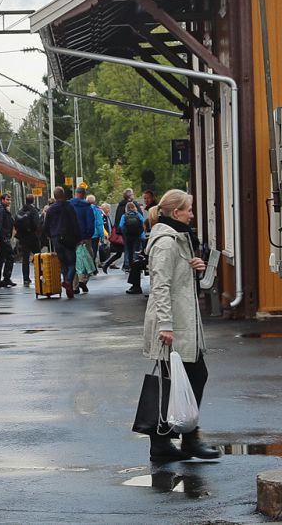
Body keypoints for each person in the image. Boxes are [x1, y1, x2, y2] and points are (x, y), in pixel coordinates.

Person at [141, 189, 220, 462]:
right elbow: (160, 285)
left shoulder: (179, 240)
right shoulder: (167, 242)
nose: (192, 214)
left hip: (181, 323)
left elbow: (174, 277)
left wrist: (192, 266)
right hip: (173, 326)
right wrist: (165, 325)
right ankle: (187, 438)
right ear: (176, 213)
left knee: (175, 381)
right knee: (190, 377)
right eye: (189, 209)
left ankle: (164, 444)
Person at [41, 187, 81, 299]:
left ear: (54, 196)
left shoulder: (50, 209)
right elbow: (75, 223)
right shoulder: (69, 207)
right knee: (72, 263)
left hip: (56, 239)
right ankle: (68, 282)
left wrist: (50, 235)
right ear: (63, 195)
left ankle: (67, 284)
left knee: (63, 263)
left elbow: (45, 226)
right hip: (69, 238)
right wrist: (78, 238)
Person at [13, 194, 41, 287]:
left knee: (25, 258)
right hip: (32, 237)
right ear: (33, 200)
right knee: (38, 256)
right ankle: (40, 275)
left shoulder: (21, 210)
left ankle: (26, 278)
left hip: (23, 238)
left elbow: (16, 224)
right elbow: (37, 224)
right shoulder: (33, 210)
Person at [120, 202, 148, 294]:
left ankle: (130, 264)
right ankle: (136, 260)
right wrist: (140, 232)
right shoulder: (138, 215)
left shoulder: (125, 215)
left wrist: (125, 232)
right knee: (137, 251)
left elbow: (121, 226)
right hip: (137, 236)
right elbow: (143, 223)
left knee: (129, 251)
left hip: (128, 237)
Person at [0, 192, 16, 288]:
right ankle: (6, 278)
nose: (9, 201)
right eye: (7, 199)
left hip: (3, 237)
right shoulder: (1, 210)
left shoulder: (3, 210)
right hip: (3, 238)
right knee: (10, 256)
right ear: (2, 200)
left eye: (10, 199)